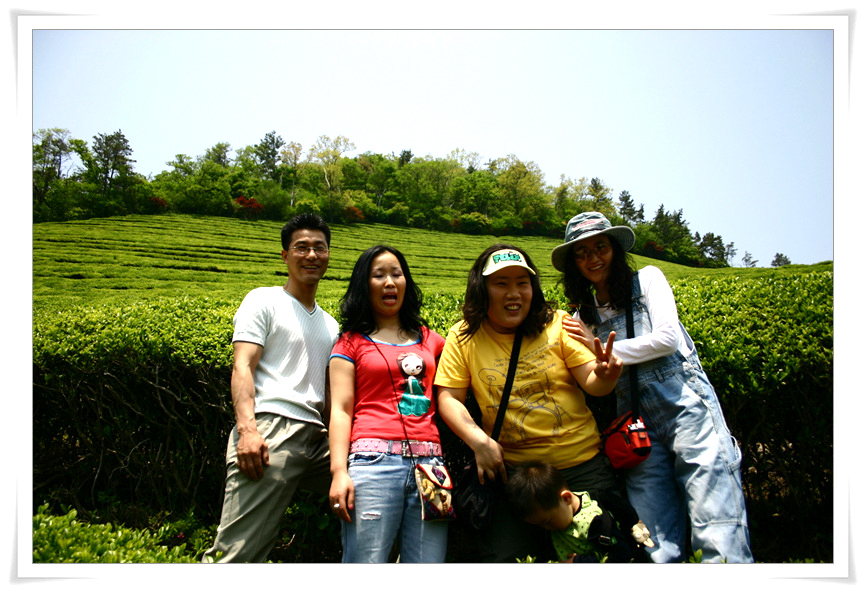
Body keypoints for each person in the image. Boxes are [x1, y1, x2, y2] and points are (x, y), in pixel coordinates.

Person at [552, 211, 753, 563]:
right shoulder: (583, 315)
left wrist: (599, 347)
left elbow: (667, 339)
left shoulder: (647, 280)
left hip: (687, 407)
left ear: (615, 250)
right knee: (651, 538)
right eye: (581, 253)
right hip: (635, 424)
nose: (592, 258)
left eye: (600, 247)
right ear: (574, 265)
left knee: (716, 521)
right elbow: (590, 372)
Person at [434, 244, 623, 562]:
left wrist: (606, 376)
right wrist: (478, 441)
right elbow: (449, 398)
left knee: (607, 553)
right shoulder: (464, 335)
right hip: (515, 476)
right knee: (510, 560)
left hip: (580, 466)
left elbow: (594, 382)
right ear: (482, 289)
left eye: (522, 283)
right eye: (501, 283)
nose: (514, 293)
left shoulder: (557, 324)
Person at [202, 213, 339, 563]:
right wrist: (248, 430)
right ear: (285, 255)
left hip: (318, 439)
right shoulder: (263, 300)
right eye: (301, 247)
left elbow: (328, 395)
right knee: (239, 553)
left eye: (319, 248)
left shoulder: (331, 325)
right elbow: (242, 366)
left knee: (374, 488)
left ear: (328, 254)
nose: (311, 255)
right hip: (272, 431)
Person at [328, 245, 449, 563]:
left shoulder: (430, 339)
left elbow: (465, 362)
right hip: (373, 464)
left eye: (397, 274)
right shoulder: (349, 343)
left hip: (431, 467)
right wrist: (339, 471)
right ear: (364, 284)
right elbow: (341, 410)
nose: (390, 282)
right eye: (378, 275)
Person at [505, 460, 654, 563]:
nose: (547, 528)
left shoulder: (595, 521)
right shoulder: (557, 513)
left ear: (566, 498)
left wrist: (579, 562)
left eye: (547, 522)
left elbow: (622, 555)